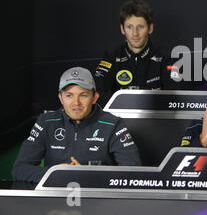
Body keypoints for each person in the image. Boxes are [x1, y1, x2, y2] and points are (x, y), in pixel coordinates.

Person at [13, 67, 142, 183]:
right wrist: (57, 174)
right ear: (61, 98)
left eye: (83, 95)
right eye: (69, 95)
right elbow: (19, 169)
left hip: (100, 201)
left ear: (94, 97)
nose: (76, 103)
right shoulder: (46, 122)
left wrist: (85, 175)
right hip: (54, 202)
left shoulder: (113, 124)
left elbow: (133, 173)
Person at [94, 0, 167, 106]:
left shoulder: (165, 57)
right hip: (119, 120)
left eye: (140, 27)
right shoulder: (111, 57)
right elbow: (97, 91)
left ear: (150, 28)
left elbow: (174, 97)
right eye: (129, 27)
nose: (135, 33)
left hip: (155, 119)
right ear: (122, 29)